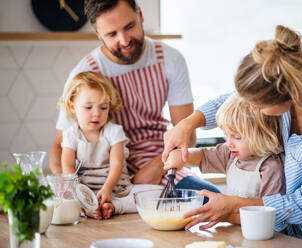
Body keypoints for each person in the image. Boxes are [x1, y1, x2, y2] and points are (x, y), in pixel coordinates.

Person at [162, 25, 302, 247]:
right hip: (286, 235)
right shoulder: (289, 78)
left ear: (290, 97)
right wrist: (187, 124)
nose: (250, 109)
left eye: (257, 105)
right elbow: (233, 101)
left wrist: (233, 206)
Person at [50, 0, 220, 194]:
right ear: (98, 34)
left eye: (129, 27)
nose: (124, 40)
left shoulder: (169, 59)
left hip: (159, 160)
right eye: (112, 34)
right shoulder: (86, 73)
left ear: (140, 16)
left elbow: (186, 135)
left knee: (210, 197)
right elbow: (59, 145)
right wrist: (69, 190)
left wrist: (157, 168)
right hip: (106, 177)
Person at [163, 93, 286, 228]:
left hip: (260, 232)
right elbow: (203, 156)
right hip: (236, 229)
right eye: (226, 135)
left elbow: (268, 215)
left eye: (237, 137)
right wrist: (182, 156)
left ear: (263, 134)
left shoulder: (271, 167)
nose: (229, 143)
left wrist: (224, 216)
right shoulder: (230, 154)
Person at [59, 71, 162, 219]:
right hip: (84, 190)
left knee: (160, 192)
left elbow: (116, 164)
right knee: (54, 193)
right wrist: (81, 193)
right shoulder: (71, 135)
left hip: (117, 189)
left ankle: (115, 206)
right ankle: (90, 208)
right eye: (88, 107)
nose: (96, 114)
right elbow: (67, 168)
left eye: (103, 107)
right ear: (73, 106)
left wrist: (107, 189)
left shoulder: (114, 131)